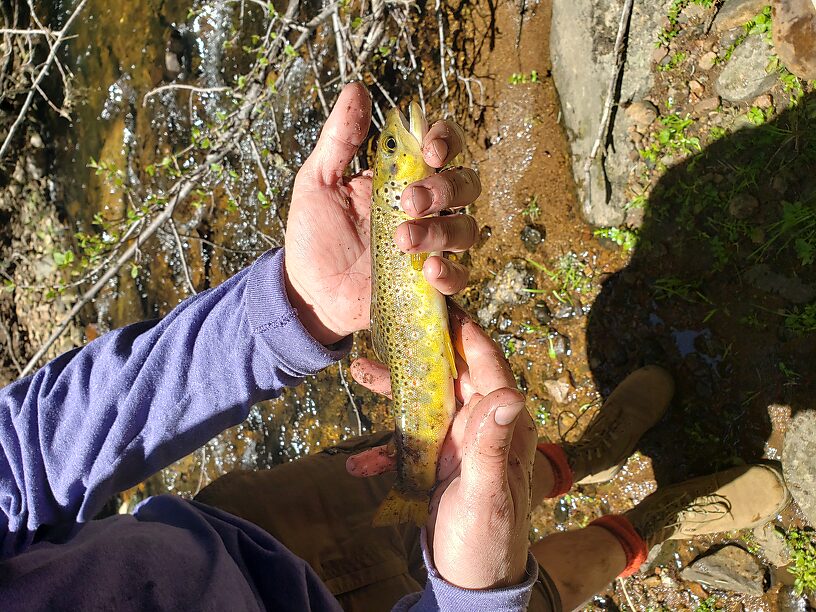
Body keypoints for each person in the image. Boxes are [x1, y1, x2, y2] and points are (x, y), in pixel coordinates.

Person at [0, 83, 788, 611]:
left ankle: (577, 458)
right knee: (513, 569)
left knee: (460, 460)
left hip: (238, 535)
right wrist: (477, 594)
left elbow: (25, 454)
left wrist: (297, 306)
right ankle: (652, 526)